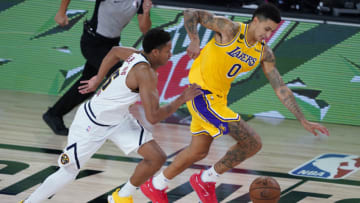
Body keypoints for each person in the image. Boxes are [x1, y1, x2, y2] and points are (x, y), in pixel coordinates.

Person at [140, 3, 330, 203]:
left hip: (218, 99)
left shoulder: (264, 53)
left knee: (198, 151)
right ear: (255, 20)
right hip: (201, 95)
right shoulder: (230, 29)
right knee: (253, 143)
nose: (267, 35)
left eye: (272, 32)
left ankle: (156, 185)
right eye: (266, 29)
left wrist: (303, 119)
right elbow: (191, 13)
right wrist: (194, 39)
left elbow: (280, 87)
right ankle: (206, 179)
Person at [20, 28, 202, 203]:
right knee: (67, 173)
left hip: (118, 120)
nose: (170, 54)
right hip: (92, 123)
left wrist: (98, 78)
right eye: (168, 51)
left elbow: (114, 51)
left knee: (156, 157)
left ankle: (122, 197)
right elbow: (153, 117)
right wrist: (182, 99)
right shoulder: (145, 73)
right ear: (155, 52)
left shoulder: (135, 54)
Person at [43, 0, 153, 135]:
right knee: (120, 77)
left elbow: (145, 29)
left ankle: (54, 114)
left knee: (87, 84)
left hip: (111, 45)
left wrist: (146, 12)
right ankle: (106, 123)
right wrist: (61, 12)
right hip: (92, 42)